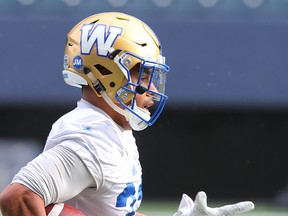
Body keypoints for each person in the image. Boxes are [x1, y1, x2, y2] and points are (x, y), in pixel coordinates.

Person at [0, 12, 255, 216]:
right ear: (107, 74)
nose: (152, 90)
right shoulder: (90, 140)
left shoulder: (112, 129)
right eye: (144, 75)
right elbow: (18, 196)